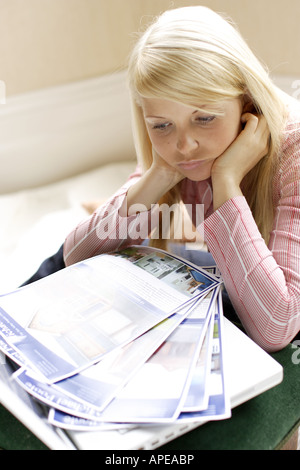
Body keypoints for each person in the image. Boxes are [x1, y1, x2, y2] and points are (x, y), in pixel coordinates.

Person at [23, 6, 300, 352]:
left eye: (204, 118)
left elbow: (277, 327)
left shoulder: (294, 154)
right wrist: (160, 172)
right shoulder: (178, 156)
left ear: (245, 99)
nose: (184, 145)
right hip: (237, 265)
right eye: (162, 125)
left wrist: (226, 180)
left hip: (286, 308)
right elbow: (73, 260)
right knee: (60, 262)